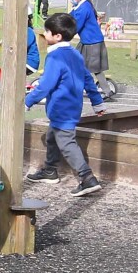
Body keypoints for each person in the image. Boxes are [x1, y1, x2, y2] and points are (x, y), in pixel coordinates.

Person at [24, 11, 106, 196]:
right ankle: (50, 170)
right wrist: (97, 102)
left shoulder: (55, 57)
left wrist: (28, 101)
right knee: (52, 136)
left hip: (62, 107)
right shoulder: (75, 54)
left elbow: (46, 84)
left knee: (66, 142)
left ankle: (87, 178)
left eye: (47, 31)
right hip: (71, 106)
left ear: (57, 36)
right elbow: (88, 79)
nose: (44, 34)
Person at [65, 0, 111, 92]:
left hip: (92, 42)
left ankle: (106, 91)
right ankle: (76, 85)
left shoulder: (84, 8)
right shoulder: (80, 7)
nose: (70, 0)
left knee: (95, 68)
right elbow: (69, 16)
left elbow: (76, 26)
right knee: (75, 61)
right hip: (86, 42)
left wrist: (64, 35)